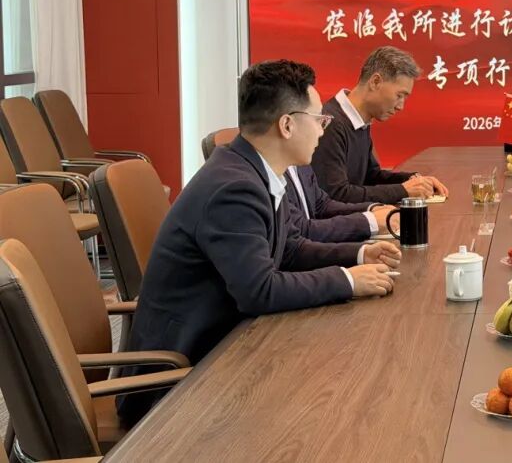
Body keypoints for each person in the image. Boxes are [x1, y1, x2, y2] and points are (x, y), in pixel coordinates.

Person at [119, 60, 402, 424]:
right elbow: (259, 291)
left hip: (225, 348)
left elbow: (290, 248)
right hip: (179, 383)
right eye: (319, 120)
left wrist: (358, 255)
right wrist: (346, 280)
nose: (322, 129)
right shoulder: (234, 188)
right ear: (287, 125)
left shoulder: (254, 169)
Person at [312, 46, 448, 204]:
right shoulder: (330, 123)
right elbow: (335, 194)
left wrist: (414, 180)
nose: (400, 106)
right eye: (399, 95)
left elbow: (371, 177)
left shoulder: (359, 121)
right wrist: (403, 190)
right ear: (375, 82)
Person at [284, 164, 395, 243]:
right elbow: (301, 231)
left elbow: (322, 205)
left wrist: (371, 209)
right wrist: (369, 221)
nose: (320, 137)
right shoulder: (276, 174)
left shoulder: (302, 164)